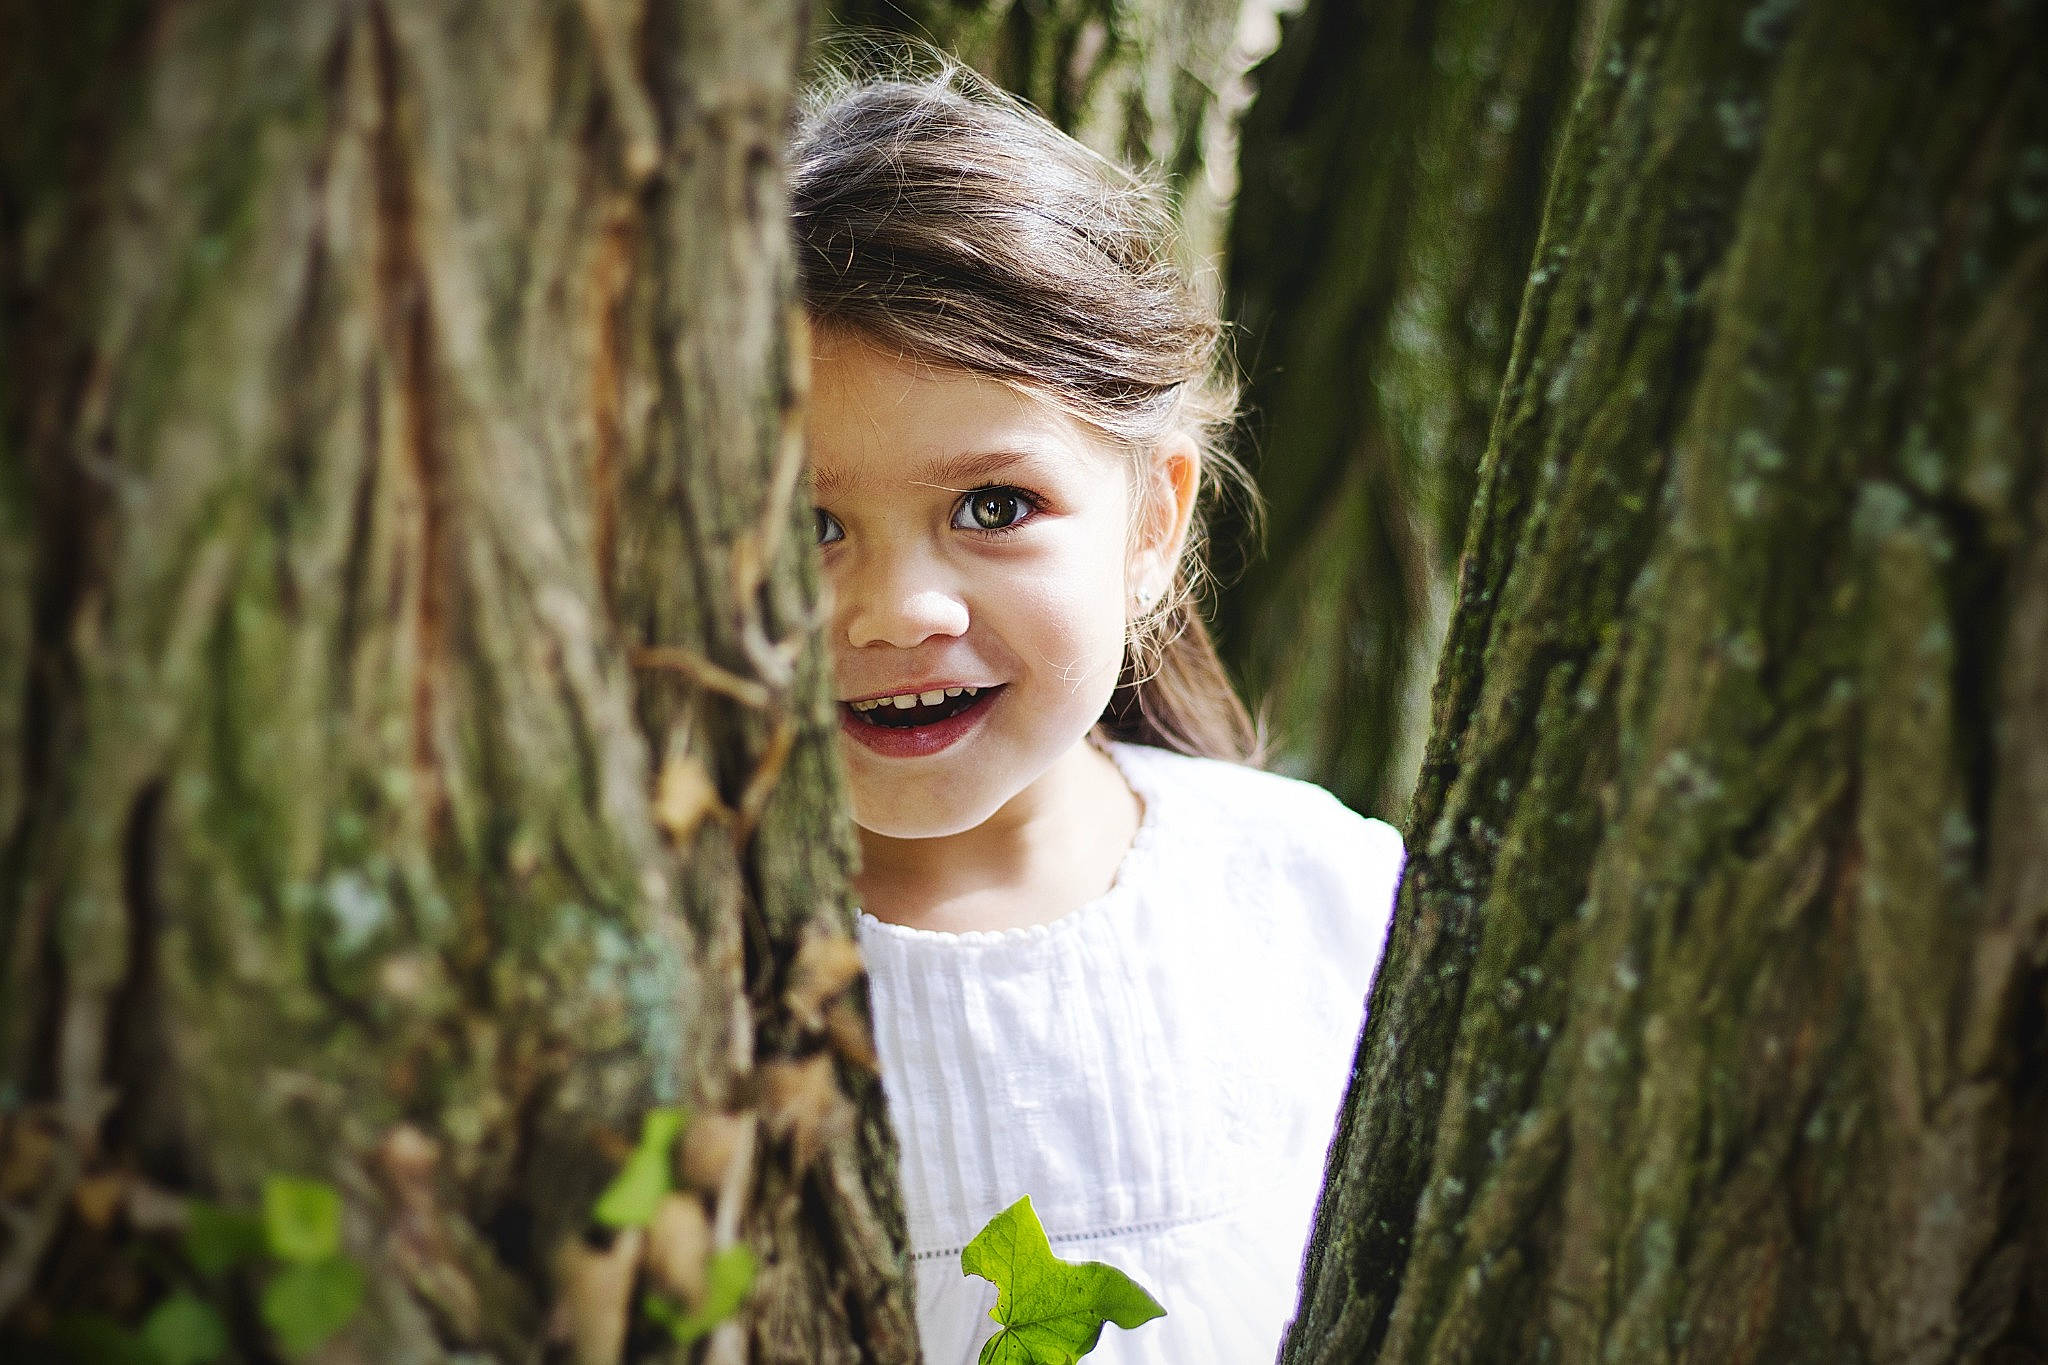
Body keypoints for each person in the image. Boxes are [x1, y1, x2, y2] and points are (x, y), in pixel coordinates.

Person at [791, 59, 1405, 1364]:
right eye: (808, 526)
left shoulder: (1326, 903)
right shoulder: (638, 971)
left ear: (1151, 522)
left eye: (994, 506)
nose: (898, 611)